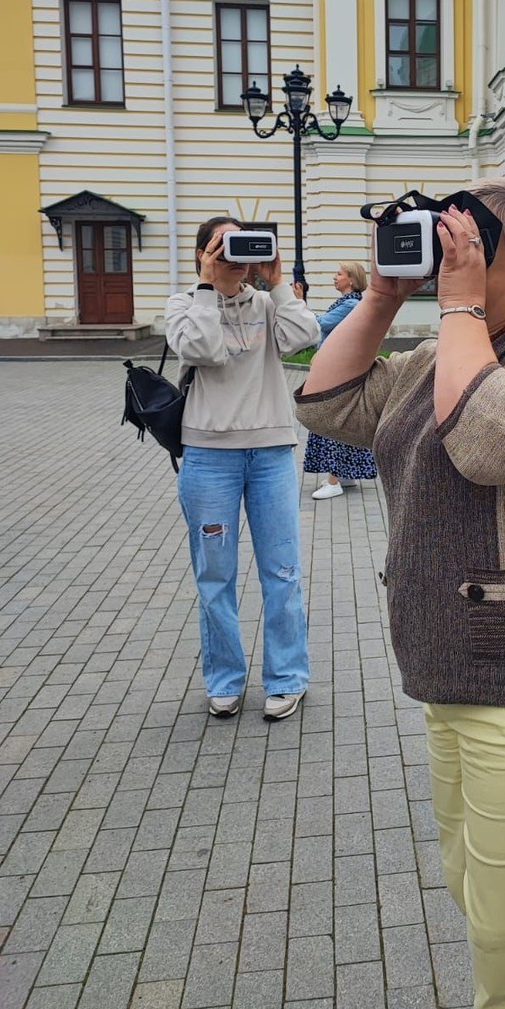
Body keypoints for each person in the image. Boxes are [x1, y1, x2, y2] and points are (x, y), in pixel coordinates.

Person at [295, 178, 505, 1009]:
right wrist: (383, 295)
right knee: (494, 913)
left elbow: (489, 441)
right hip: (453, 677)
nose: (452, 245)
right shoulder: (445, 349)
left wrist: (453, 309)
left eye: (468, 234)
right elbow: (329, 405)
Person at [165, 216, 318, 722]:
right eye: (223, 246)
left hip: (271, 453)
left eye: (241, 244)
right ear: (204, 252)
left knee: (283, 572)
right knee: (215, 575)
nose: (235, 254)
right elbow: (201, 350)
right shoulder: (185, 304)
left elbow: (304, 337)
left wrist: (276, 283)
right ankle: (225, 680)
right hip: (209, 458)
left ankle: (287, 678)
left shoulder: (268, 304)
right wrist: (210, 286)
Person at [299, 262, 378, 500]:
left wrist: (298, 305)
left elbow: (321, 324)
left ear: (351, 280)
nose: (335, 278)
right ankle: (344, 475)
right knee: (345, 423)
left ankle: (334, 481)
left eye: (339, 274)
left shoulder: (351, 305)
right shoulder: (350, 303)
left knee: (331, 421)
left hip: (337, 372)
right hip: (340, 369)